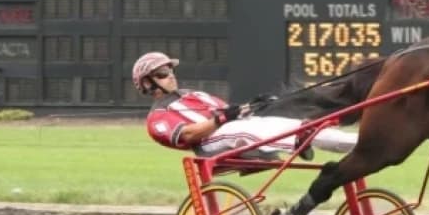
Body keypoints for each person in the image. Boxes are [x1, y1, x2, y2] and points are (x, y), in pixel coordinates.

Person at [133, 51, 355, 161]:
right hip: (210, 145)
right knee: (240, 128)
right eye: (162, 74)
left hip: (234, 130)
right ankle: (297, 139)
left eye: (170, 71)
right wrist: (223, 118)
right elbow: (189, 134)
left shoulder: (195, 94)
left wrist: (254, 105)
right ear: (146, 83)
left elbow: (233, 113)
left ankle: (358, 143)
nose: (170, 76)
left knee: (293, 123)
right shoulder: (157, 119)